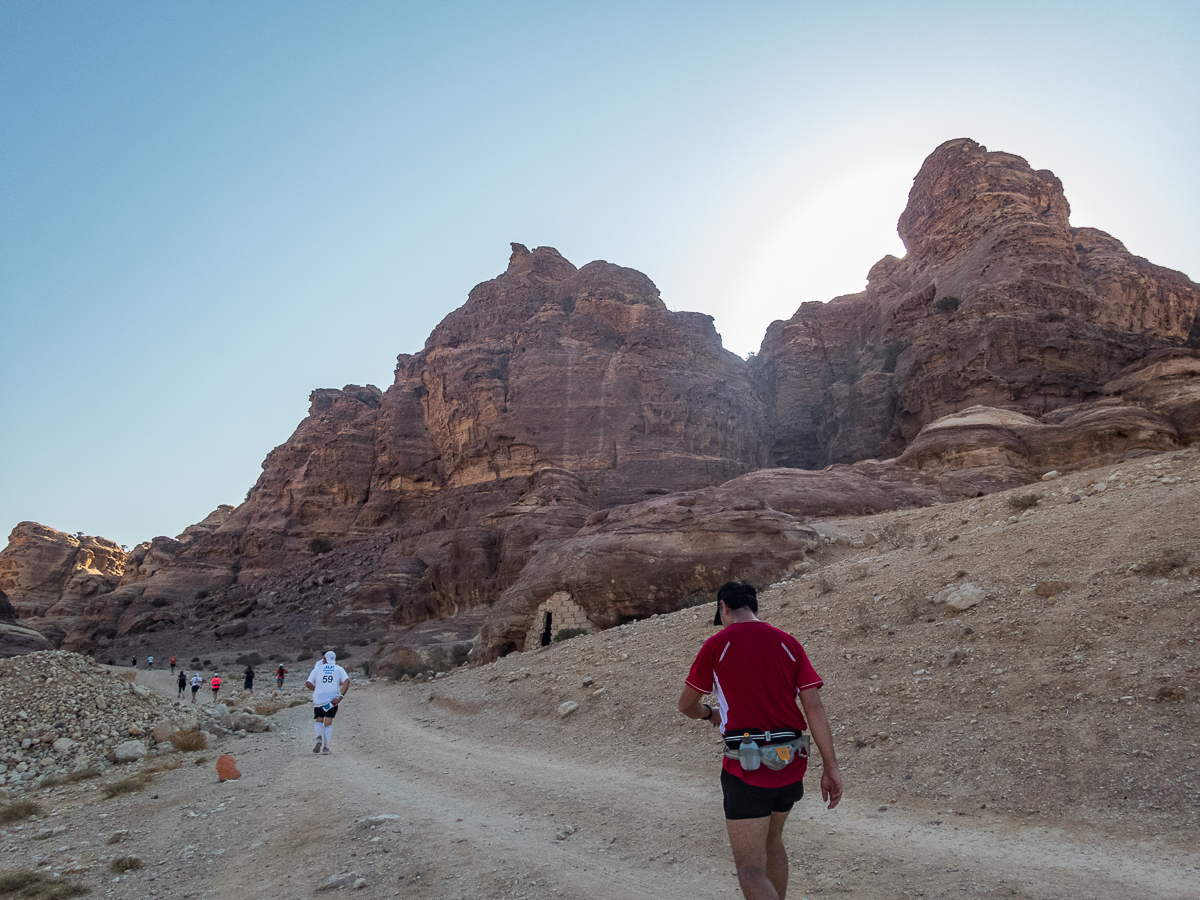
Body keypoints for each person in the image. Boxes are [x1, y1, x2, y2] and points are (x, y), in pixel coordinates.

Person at [678, 581, 842, 900]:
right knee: (772, 842)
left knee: (750, 869)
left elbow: (686, 705)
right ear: (754, 607)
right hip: (792, 763)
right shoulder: (788, 643)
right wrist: (831, 767)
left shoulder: (718, 644)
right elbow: (814, 706)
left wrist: (708, 713)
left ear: (724, 608)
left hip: (747, 769)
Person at [305, 651, 350, 755]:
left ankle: (318, 738)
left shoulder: (317, 669)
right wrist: (341, 696)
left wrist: (316, 689)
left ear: (325, 658)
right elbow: (347, 681)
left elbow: (308, 684)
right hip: (332, 700)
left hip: (319, 699)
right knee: (328, 723)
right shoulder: (339, 669)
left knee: (319, 720)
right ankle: (326, 748)